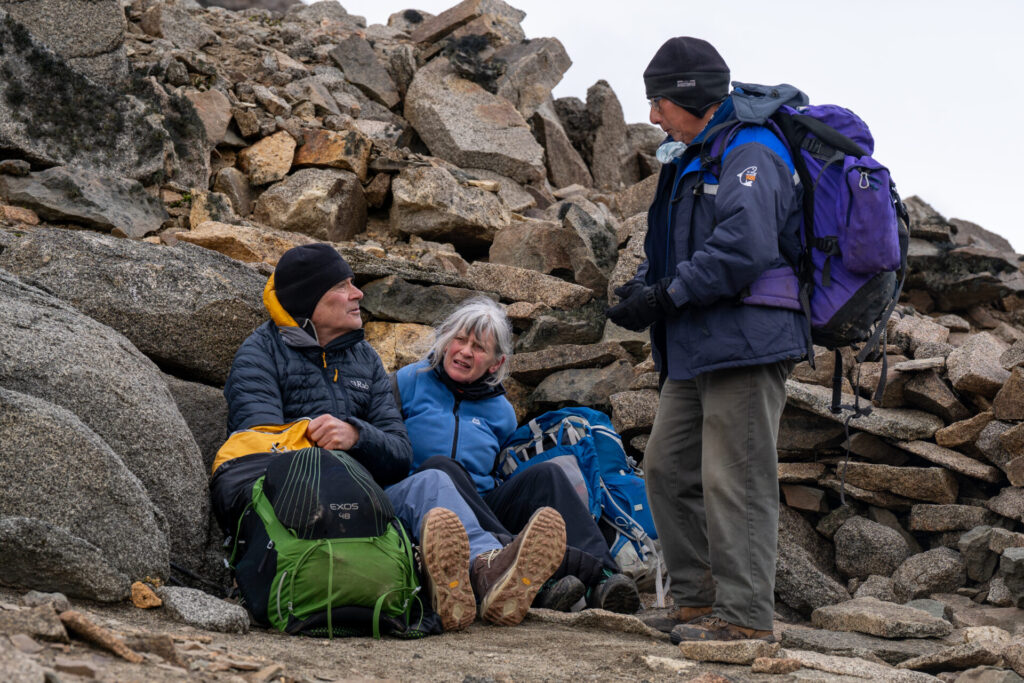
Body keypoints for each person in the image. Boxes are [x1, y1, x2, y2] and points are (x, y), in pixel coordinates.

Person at [217, 243, 566, 630]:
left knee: (432, 479)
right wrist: (318, 441)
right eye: (344, 286)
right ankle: (457, 582)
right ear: (311, 299)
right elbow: (259, 455)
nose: (358, 294)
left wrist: (356, 435)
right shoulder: (261, 353)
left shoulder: (364, 359)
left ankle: (485, 573)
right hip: (300, 509)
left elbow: (400, 452)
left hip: (367, 501)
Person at [606, 37, 807, 642]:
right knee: (666, 470)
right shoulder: (690, 157)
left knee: (736, 480)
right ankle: (696, 601)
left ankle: (745, 619)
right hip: (695, 344)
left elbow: (745, 248)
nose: (652, 115)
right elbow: (668, 247)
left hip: (747, 342)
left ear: (689, 97)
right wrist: (644, 290)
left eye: (659, 101)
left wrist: (666, 296)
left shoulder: (752, 150)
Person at [395, 297, 640, 614]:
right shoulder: (407, 381)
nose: (466, 352)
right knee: (442, 467)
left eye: (479, 347)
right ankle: (526, 566)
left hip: (482, 505)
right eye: (459, 339)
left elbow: (500, 469)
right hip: (425, 501)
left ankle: (605, 578)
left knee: (548, 475)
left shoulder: (501, 412)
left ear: (496, 363)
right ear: (445, 340)